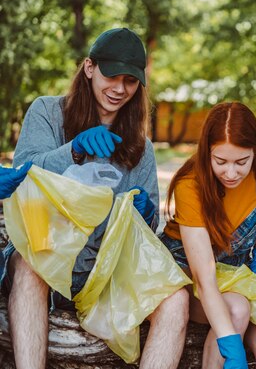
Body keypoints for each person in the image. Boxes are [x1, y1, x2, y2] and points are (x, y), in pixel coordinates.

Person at [2, 27, 189, 369]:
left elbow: (148, 225)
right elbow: (22, 175)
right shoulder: (46, 112)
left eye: (130, 81)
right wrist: (72, 150)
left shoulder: (141, 147)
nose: (119, 89)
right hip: (43, 249)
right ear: (89, 67)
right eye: (111, 76)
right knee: (29, 269)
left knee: (176, 299)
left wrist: (146, 214)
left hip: (104, 269)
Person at [161, 101, 256, 369]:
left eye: (242, 162)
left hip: (232, 272)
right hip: (186, 274)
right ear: (207, 152)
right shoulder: (190, 187)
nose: (231, 173)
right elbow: (204, 279)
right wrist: (232, 350)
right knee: (237, 310)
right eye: (221, 161)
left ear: (255, 151)